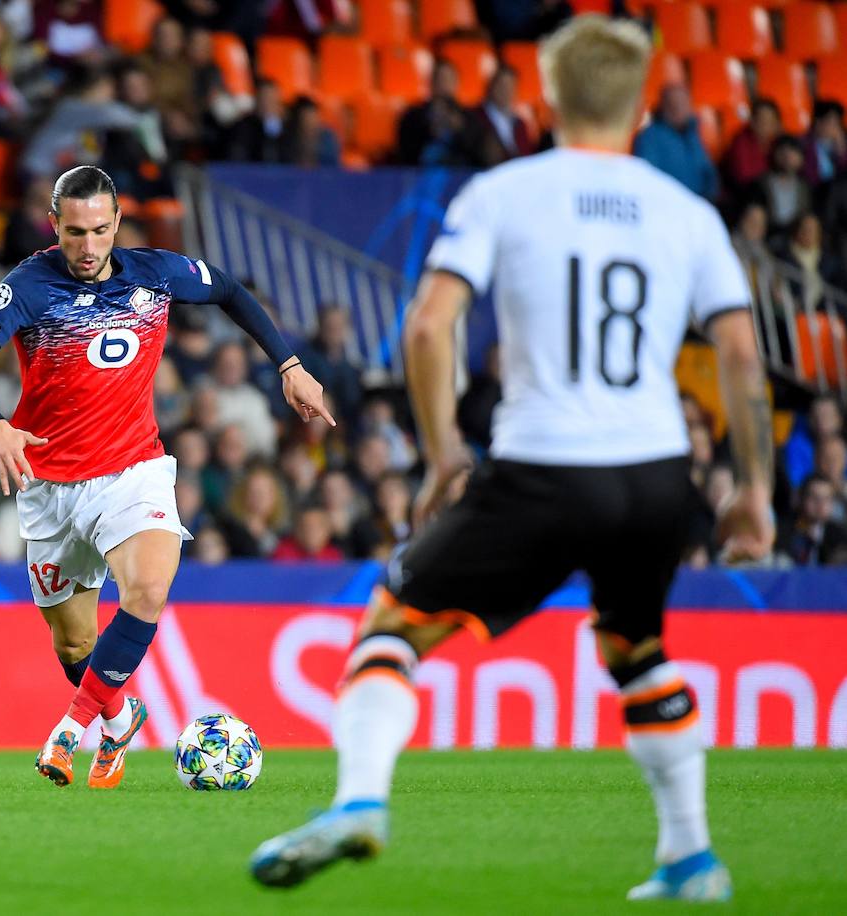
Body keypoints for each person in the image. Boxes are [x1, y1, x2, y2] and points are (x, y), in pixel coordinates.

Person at [251, 17, 773, 902]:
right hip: (655, 474)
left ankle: (361, 803)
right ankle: (690, 857)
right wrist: (756, 485)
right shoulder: (687, 212)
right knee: (637, 647)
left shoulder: (506, 193)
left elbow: (427, 324)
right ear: (643, 107)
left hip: (544, 466)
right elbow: (742, 354)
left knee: (395, 627)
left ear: (546, 101)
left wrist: (444, 453)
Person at [0, 165, 332, 790]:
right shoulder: (28, 287)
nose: (89, 248)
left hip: (133, 471)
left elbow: (229, 289)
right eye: (74, 233)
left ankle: (70, 730)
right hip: (50, 487)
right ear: (55, 226)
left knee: (147, 590)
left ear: (118, 222)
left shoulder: (155, 273)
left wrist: (288, 363)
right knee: (74, 646)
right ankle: (118, 718)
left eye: (100, 230)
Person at [633, 84, 717, 200]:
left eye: (683, 104)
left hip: (698, 204)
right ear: (663, 107)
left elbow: (708, 172)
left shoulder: (694, 135)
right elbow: (648, 178)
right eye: (672, 104)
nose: (677, 109)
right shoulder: (649, 137)